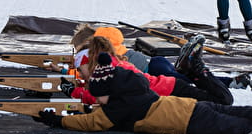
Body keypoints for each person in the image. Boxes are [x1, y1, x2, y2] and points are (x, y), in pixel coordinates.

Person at [35, 51, 252, 134]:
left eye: (97, 95)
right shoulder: (133, 88)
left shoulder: (116, 109)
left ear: (107, 92)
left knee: (249, 128)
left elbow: (92, 123)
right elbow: (99, 107)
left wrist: (59, 122)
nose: (95, 99)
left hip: (192, 123)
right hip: (192, 106)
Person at [61, 34, 234, 106]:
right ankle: (192, 71)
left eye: (79, 68)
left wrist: (74, 92)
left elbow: (99, 97)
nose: (79, 72)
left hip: (171, 90)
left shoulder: (111, 71)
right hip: (170, 86)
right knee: (217, 98)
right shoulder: (110, 66)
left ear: (90, 63)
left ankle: (196, 68)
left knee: (224, 100)